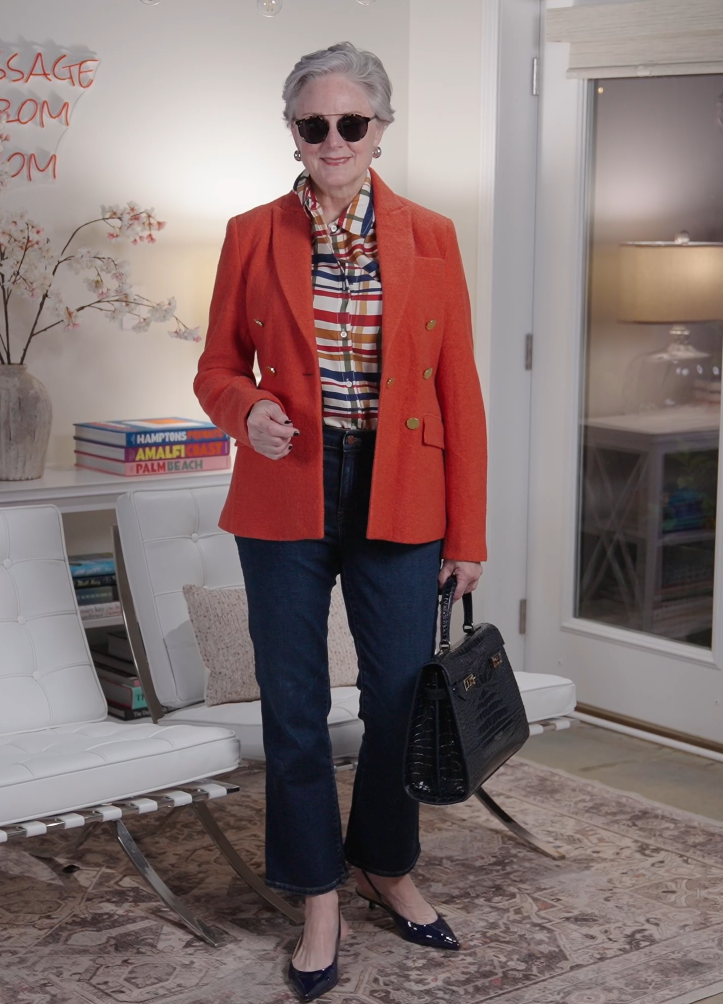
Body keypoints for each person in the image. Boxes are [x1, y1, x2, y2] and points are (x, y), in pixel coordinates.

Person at [194, 41, 487, 1002]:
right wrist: (249, 413)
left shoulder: (433, 235)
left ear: (379, 130)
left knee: (400, 699)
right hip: (287, 491)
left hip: (404, 490)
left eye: (349, 122)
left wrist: (468, 535)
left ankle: (386, 865)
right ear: (292, 131)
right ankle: (317, 893)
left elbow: (460, 395)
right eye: (312, 123)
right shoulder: (251, 233)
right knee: (293, 707)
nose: (330, 138)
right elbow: (215, 370)